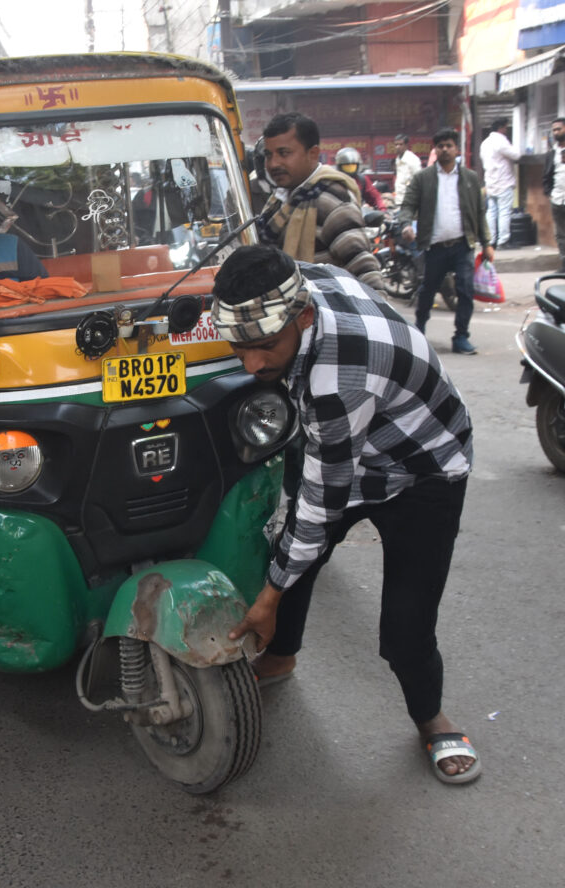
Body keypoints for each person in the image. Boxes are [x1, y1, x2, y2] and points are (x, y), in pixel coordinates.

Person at [213, 244, 479, 785]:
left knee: (404, 626)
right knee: (293, 556)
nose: (253, 365)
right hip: (355, 443)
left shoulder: (338, 379)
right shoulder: (295, 283)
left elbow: (320, 502)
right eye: (239, 346)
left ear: (303, 317)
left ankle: (431, 718)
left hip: (424, 467)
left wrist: (266, 599)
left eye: (265, 347)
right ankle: (282, 656)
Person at [257, 112, 384, 290]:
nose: (273, 164)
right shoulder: (281, 198)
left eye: (284, 153)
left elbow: (363, 267)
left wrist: (378, 313)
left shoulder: (329, 200)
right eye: (269, 155)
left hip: (321, 312)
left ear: (313, 153)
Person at [398, 127, 493, 355]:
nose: (445, 150)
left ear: (456, 149)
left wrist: (487, 242)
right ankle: (419, 333)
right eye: (440, 146)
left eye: (449, 145)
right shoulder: (423, 178)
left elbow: (479, 213)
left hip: (463, 245)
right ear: (435, 150)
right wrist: (406, 224)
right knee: (427, 291)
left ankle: (461, 336)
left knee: (465, 291)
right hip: (434, 247)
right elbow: (408, 205)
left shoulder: (469, 178)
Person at [480, 119, 521, 249]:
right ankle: (503, 241)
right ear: (501, 128)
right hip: (503, 182)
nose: (506, 131)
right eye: (505, 128)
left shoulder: (485, 143)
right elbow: (516, 155)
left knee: (491, 212)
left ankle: (491, 240)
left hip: (491, 183)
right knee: (504, 212)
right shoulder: (501, 141)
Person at [541, 117, 565, 273]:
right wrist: (549, 193)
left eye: (559, 129)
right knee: (561, 235)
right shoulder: (552, 154)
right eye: (554, 130)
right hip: (557, 199)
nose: (556, 132)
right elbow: (546, 176)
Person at [393, 134, 422, 209]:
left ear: (406, 145)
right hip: (399, 199)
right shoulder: (398, 159)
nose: (397, 147)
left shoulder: (412, 159)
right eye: (396, 145)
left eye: (400, 144)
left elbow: (419, 180)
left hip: (409, 201)